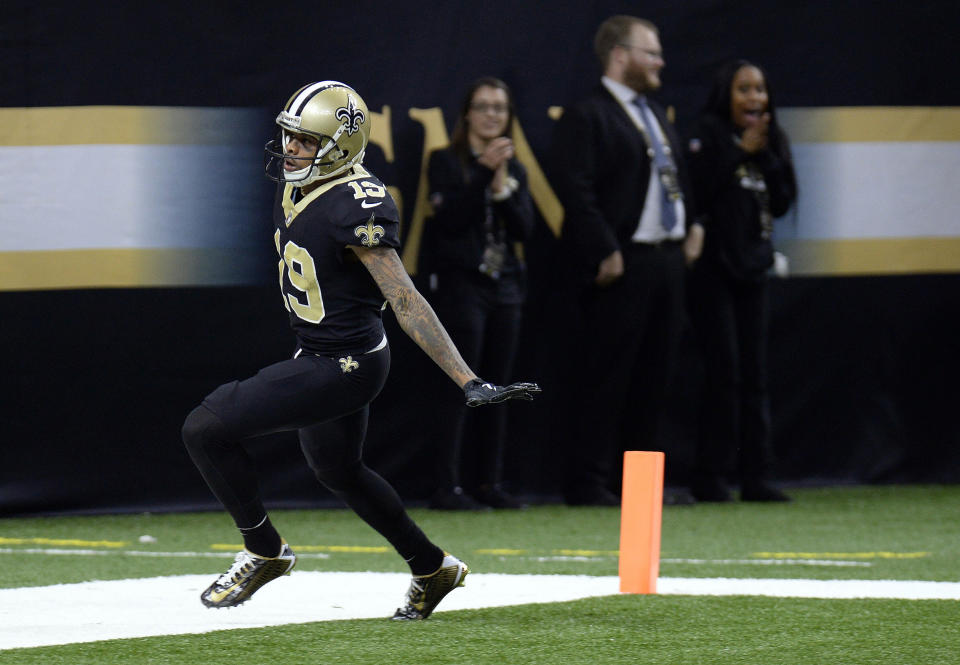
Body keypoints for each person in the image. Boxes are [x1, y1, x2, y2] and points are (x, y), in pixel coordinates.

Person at [180, 81, 540, 620]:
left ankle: (264, 549)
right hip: (322, 351)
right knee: (340, 471)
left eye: (303, 141)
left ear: (338, 146)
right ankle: (431, 567)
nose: (290, 150)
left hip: (345, 365)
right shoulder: (301, 183)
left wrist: (466, 378)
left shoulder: (357, 202)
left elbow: (403, 297)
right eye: (288, 137)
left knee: (204, 428)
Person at [550, 16, 701, 506]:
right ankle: (589, 480)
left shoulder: (654, 114)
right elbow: (576, 187)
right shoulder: (588, 114)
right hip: (621, 265)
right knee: (607, 375)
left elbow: (676, 179)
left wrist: (692, 227)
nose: (659, 62)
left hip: (667, 261)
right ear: (620, 54)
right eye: (651, 52)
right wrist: (605, 249)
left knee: (657, 377)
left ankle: (639, 488)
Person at [420, 77, 535, 511]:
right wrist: (484, 171)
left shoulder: (516, 169)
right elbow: (450, 221)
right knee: (462, 383)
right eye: (484, 106)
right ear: (467, 113)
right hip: (461, 283)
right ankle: (446, 486)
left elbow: (526, 231)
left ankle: (490, 482)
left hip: (504, 285)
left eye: (500, 108)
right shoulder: (445, 161)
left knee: (501, 386)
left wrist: (503, 186)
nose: (492, 115)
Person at [684, 61, 797, 502]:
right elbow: (699, 192)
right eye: (744, 90)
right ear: (725, 95)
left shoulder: (771, 140)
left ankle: (757, 476)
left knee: (756, 375)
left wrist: (763, 153)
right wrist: (739, 151)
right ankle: (710, 476)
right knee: (723, 373)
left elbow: (784, 200)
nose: (755, 99)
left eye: (760, 90)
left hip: (753, 269)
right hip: (713, 271)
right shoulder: (708, 135)